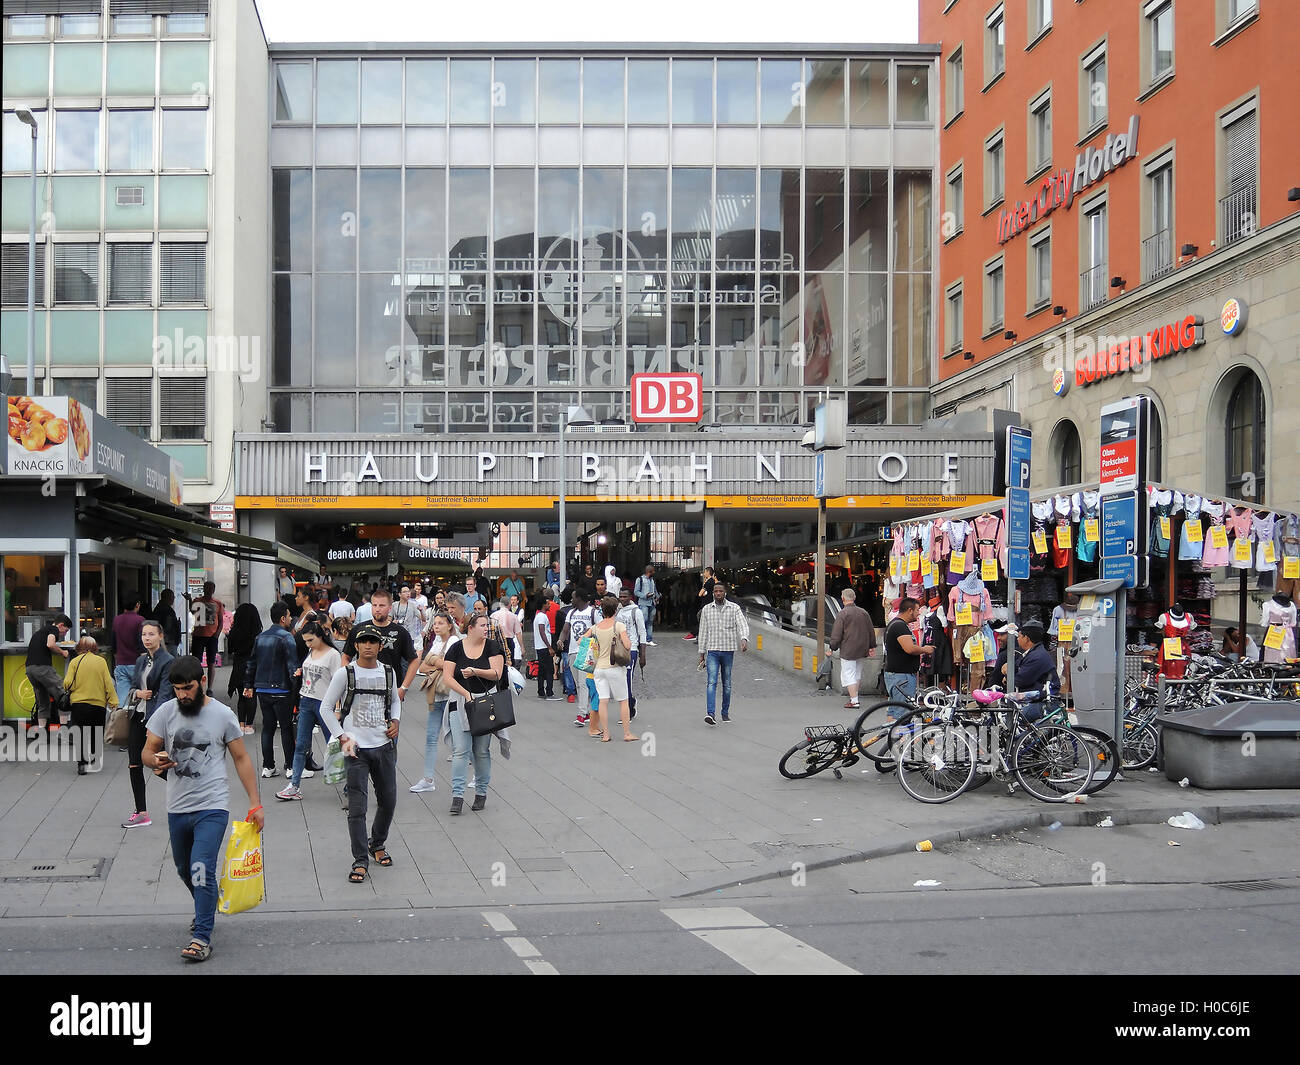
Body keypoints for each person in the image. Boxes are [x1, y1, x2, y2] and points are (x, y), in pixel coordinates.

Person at [143, 654, 264, 962]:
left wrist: (255, 804)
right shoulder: (165, 712)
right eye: (178, 689)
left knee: (200, 867)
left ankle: (202, 937)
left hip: (213, 805)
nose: (183, 695)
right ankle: (207, 903)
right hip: (177, 806)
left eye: (188, 688)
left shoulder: (223, 715)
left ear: (202, 683)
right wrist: (153, 760)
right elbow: (147, 749)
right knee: (185, 869)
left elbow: (241, 758)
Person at [315, 625, 402, 882]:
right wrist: (342, 736)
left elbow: (395, 700)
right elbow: (326, 708)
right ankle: (360, 859)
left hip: (384, 747)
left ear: (380, 646)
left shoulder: (388, 672)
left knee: (388, 800)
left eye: (372, 642)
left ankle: (377, 843)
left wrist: (395, 721)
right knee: (357, 807)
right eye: (363, 641)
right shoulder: (346, 673)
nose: (367, 646)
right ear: (356, 645)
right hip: (355, 750)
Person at [439, 613, 504, 814]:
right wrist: (466, 693)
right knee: (461, 750)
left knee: (481, 751)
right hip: (460, 701)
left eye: (487, 625)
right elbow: (448, 677)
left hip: (485, 701)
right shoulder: (456, 648)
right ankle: (457, 796)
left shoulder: (492, 646)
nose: (486, 629)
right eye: (483, 625)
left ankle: (481, 792)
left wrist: (475, 671)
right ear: (471, 628)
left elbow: (497, 673)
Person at [276, 621, 341, 801]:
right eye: (305, 641)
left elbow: (339, 682)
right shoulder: (311, 651)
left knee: (334, 744)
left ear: (320, 636)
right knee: (301, 746)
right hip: (306, 700)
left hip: (324, 704)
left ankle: (350, 784)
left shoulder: (333, 655)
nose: (308, 644)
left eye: (310, 640)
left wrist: (337, 708)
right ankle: (294, 785)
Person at [122, 620, 174, 829]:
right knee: (134, 764)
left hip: (155, 720)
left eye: (151, 634)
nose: (147, 638)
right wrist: (138, 693)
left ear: (160, 636)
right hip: (138, 716)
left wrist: (155, 722)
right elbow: (133, 687)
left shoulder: (167, 661)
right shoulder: (141, 661)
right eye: (144, 635)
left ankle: (192, 791)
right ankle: (141, 812)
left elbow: (165, 693)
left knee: (159, 766)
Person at [242, 602, 299, 779]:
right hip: (282, 689)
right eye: (289, 616)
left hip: (262, 689)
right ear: (283, 618)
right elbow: (292, 667)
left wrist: (248, 685)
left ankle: (268, 766)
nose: (290, 619)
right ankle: (290, 766)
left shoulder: (260, 637)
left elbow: (251, 663)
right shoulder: (287, 637)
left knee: (268, 727)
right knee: (286, 728)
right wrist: (296, 689)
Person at [340, 587, 422, 701]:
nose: (377, 609)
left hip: (390, 689)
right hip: (362, 689)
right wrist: (349, 679)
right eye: (374, 605)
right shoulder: (359, 629)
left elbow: (414, 660)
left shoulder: (400, 632)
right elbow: (346, 656)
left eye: (382, 606)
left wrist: (403, 687)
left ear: (390, 608)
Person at [409, 611, 460, 794]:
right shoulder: (436, 642)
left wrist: (434, 661)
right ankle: (428, 779)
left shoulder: (454, 642)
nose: (436, 626)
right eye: (435, 623)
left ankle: (474, 777)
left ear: (449, 625)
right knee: (431, 738)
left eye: (440, 623)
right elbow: (422, 666)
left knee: (457, 738)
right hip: (436, 694)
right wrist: (437, 662)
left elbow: (450, 666)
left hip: (450, 696)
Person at [696, 581, 749, 725]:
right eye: (715, 591)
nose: (718, 593)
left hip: (728, 650)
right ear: (713, 593)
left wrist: (744, 639)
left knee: (727, 683)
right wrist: (701, 653)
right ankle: (710, 713)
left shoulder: (734, 608)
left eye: (720, 591)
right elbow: (703, 632)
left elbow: (742, 624)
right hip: (712, 651)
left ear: (725, 592)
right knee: (711, 682)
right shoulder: (707, 609)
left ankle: (725, 713)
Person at [63, 635, 116, 774]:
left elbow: (67, 683)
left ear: (79, 647)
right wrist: (113, 701)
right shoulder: (101, 661)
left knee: (80, 734)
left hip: (79, 704)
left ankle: (81, 764)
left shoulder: (75, 662)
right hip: (98, 704)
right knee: (96, 732)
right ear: (94, 647)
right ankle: (93, 757)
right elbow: (108, 683)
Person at [590, 596, 637, 742]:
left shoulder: (596, 627)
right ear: (616, 610)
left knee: (603, 701)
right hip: (615, 668)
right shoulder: (619, 626)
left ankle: (605, 734)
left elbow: (582, 640)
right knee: (623, 700)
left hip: (599, 669)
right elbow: (628, 645)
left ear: (602, 611)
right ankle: (627, 733)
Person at [828, 588, 877, 710]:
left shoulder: (842, 614)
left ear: (843, 599)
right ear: (854, 598)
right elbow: (871, 630)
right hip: (862, 647)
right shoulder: (864, 612)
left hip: (848, 648)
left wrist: (832, 647)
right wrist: (871, 646)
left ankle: (854, 700)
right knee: (857, 673)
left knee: (849, 673)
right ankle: (854, 696)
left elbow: (836, 634)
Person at [882, 597, 933, 712]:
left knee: (894, 710)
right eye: (917, 610)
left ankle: (892, 729)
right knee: (902, 712)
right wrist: (925, 649)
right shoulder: (900, 626)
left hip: (898, 674)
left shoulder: (895, 624)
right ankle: (898, 730)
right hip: (901, 676)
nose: (918, 613)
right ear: (909, 610)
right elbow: (909, 648)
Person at [558, 590, 598, 727]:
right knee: (577, 682)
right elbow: (565, 629)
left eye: (573, 598)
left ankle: (581, 714)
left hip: (587, 649)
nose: (571, 600)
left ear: (579, 599)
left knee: (582, 682)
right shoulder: (571, 613)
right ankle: (586, 711)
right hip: (572, 650)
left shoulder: (593, 612)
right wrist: (560, 640)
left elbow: (599, 630)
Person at [225, 603, 262, 735]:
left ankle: (241, 723)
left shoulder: (235, 632)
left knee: (242, 695)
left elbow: (230, 650)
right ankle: (249, 725)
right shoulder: (257, 634)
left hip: (239, 666)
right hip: (253, 667)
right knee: (251, 695)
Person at [187, 582, 224, 695]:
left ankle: (210, 688)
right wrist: (189, 600)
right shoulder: (197, 601)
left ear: (213, 590)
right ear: (204, 589)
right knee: (196, 662)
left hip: (212, 636)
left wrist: (217, 634)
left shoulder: (218, 603)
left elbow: (221, 620)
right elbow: (193, 612)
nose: (208, 590)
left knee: (211, 662)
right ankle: (198, 685)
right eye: (207, 588)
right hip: (198, 635)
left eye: (211, 588)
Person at [615, 585, 647, 717]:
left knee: (627, 678)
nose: (622, 599)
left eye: (625, 596)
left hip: (632, 649)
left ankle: (628, 710)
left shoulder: (636, 612)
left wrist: (642, 655)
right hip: (618, 649)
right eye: (620, 596)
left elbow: (642, 632)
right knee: (619, 680)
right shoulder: (618, 611)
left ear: (630, 597)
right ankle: (631, 701)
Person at [110, 598, 146, 710]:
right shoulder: (140, 620)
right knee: (141, 699)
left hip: (121, 663)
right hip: (137, 663)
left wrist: (116, 656)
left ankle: (124, 724)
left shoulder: (117, 620)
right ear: (137, 604)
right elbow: (142, 642)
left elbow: (113, 641)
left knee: (124, 702)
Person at [393, 585, 427, 657]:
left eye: (408, 591)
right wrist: (392, 622)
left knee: (406, 659)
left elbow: (423, 619)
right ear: (399, 594)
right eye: (405, 592)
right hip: (396, 635)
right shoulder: (394, 605)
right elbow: (388, 619)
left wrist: (421, 610)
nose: (408, 593)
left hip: (409, 637)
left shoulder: (413, 605)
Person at [684, 567, 716, 641]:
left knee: (701, 620)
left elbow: (700, 594)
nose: (704, 574)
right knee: (702, 620)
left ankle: (695, 634)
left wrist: (704, 591)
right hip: (708, 603)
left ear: (708, 572)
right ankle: (699, 637)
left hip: (706, 604)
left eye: (705, 572)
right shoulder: (711, 581)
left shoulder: (708, 582)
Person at [532, 600, 556, 699]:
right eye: (547, 603)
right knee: (549, 670)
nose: (549, 604)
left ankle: (541, 691)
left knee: (541, 670)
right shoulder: (542, 616)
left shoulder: (538, 616)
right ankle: (549, 691)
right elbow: (542, 631)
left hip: (539, 646)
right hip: (544, 647)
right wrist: (549, 647)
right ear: (543, 605)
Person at [149, 590, 182, 655]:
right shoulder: (166, 610)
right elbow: (168, 627)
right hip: (168, 643)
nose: (174, 598)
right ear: (167, 597)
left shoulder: (159, 608)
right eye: (172, 596)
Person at [634, 565, 659, 645]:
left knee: (650, 622)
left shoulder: (652, 580)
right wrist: (645, 595)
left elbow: (655, 590)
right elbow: (636, 592)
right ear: (649, 571)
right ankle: (641, 639)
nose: (654, 572)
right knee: (643, 621)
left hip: (652, 603)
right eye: (653, 571)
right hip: (643, 603)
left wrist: (657, 597)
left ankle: (649, 639)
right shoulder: (640, 579)